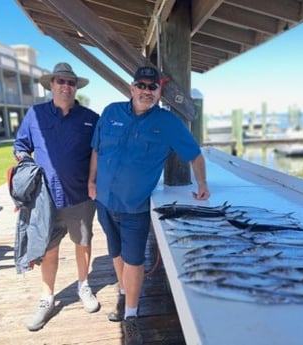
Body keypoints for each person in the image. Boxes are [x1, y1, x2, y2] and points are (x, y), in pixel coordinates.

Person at [88, 66, 210, 345]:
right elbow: (97, 149)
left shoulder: (168, 123)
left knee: (134, 260)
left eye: (152, 87)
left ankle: (131, 315)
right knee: (115, 252)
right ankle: (122, 295)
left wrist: (202, 184)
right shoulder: (111, 112)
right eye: (140, 85)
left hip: (134, 207)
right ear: (131, 88)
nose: (146, 90)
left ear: (158, 92)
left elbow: (195, 155)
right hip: (104, 201)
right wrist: (91, 182)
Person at [13, 62, 100, 331]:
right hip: (45, 197)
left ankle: (83, 286)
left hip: (80, 196)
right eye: (60, 81)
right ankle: (47, 298)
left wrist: (95, 180)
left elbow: (100, 152)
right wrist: (26, 172)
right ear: (51, 85)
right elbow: (20, 147)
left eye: (70, 83)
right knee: (48, 247)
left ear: (76, 88)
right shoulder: (36, 114)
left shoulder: (90, 118)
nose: (66, 86)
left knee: (83, 243)